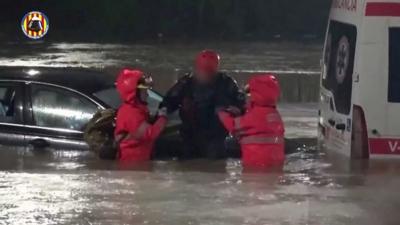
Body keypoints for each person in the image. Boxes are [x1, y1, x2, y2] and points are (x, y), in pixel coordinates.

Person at [159, 50, 245, 159]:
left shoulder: (226, 83)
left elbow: (241, 102)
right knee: (187, 162)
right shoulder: (186, 83)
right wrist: (163, 114)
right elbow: (168, 102)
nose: (205, 75)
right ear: (197, 69)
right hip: (190, 135)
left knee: (215, 160)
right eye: (203, 71)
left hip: (216, 136)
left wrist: (237, 109)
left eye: (209, 72)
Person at [217, 74, 285, 168]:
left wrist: (222, 113)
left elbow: (233, 126)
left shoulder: (254, 116)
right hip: (275, 164)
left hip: (254, 165)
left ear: (256, 95)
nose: (248, 97)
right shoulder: (275, 116)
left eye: (250, 93)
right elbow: (256, 125)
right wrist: (241, 112)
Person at [115, 69, 168, 162]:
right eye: (144, 91)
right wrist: (162, 117)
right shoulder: (131, 113)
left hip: (139, 161)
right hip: (132, 165)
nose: (147, 94)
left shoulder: (136, 110)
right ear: (135, 94)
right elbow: (151, 133)